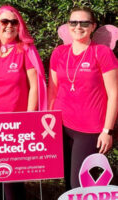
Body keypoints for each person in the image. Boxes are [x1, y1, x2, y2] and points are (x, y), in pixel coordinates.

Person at [0, 5, 46, 200]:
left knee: (13, 181)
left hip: (17, 125)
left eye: (14, 22)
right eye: (4, 21)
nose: (9, 26)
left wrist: (30, 118)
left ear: (20, 26)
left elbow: (35, 85)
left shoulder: (25, 50)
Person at [48, 6, 118, 190]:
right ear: (68, 25)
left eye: (84, 22)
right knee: (66, 181)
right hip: (60, 126)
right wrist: (47, 120)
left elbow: (114, 93)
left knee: (79, 184)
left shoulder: (102, 53)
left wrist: (107, 130)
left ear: (93, 26)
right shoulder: (59, 53)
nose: (78, 26)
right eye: (73, 22)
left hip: (89, 130)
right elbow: (52, 91)